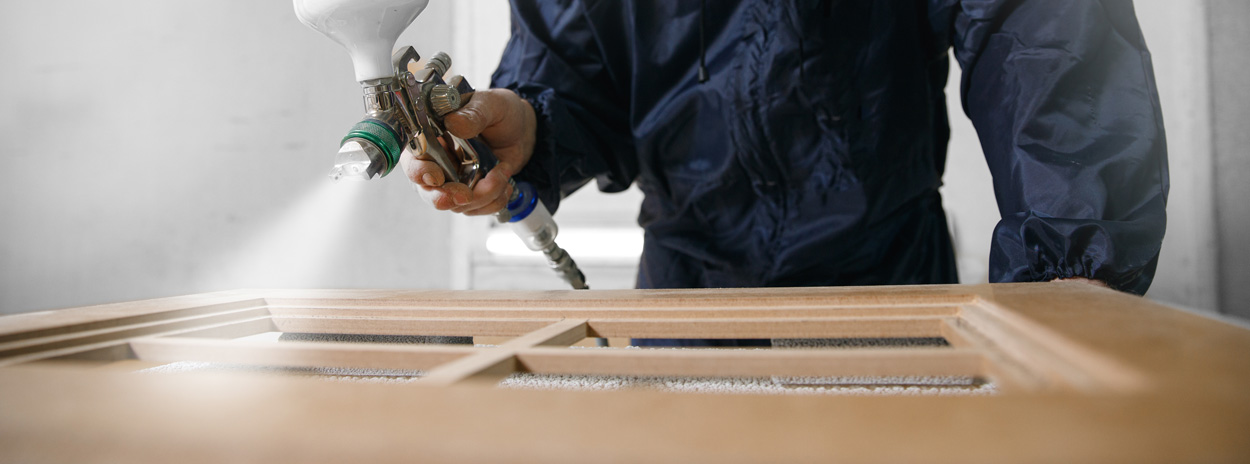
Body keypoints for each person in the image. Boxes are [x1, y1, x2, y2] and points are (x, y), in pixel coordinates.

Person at [401, 0, 1169, 346]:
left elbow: (1043, 36)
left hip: (886, 294)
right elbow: (573, 70)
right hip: (685, 302)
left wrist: (1073, 266)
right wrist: (528, 127)